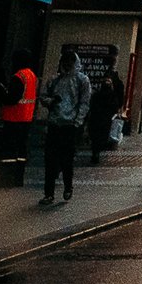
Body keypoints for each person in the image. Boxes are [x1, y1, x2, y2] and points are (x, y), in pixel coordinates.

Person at [38, 50, 91, 206]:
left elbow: (84, 102)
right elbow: (43, 96)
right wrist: (50, 101)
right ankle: (49, 193)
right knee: (50, 160)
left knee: (67, 160)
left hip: (69, 125)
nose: (67, 65)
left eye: (70, 61)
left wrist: (77, 122)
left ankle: (68, 186)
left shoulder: (82, 80)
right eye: (65, 61)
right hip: (55, 124)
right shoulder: (55, 80)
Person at [0, 49, 38, 186]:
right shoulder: (32, 76)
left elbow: (12, 99)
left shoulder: (18, 77)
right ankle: (18, 179)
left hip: (13, 119)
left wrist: (2, 92)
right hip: (26, 119)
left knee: (8, 152)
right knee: (21, 152)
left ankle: (6, 179)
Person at [86, 67, 124, 165]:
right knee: (101, 137)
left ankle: (95, 153)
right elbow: (115, 106)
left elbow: (91, 105)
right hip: (105, 120)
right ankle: (97, 152)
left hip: (96, 119)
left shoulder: (97, 94)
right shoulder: (112, 95)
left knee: (95, 138)